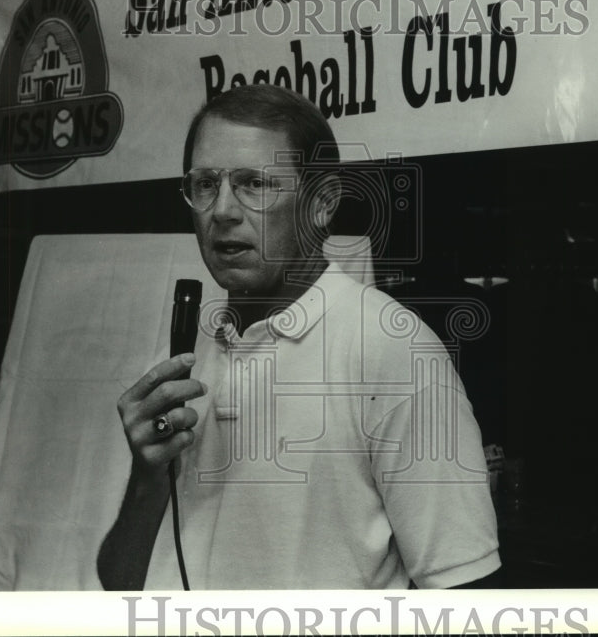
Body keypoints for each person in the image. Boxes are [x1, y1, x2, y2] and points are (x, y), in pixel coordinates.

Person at [97, 84, 499, 590]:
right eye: (205, 184)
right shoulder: (183, 361)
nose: (222, 210)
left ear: (322, 203)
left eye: (254, 184)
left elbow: (465, 591)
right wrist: (146, 477)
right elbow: (118, 588)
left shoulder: (390, 348)